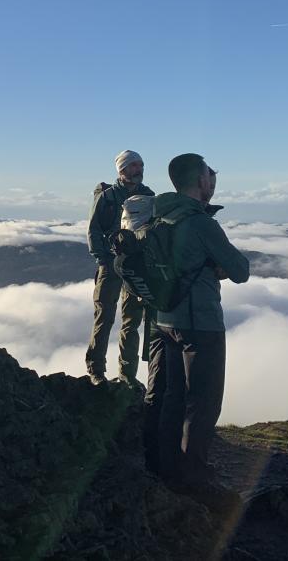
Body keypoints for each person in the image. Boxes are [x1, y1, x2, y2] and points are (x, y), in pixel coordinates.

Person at [153, 153, 250, 490]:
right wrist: (214, 266)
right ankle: (193, 479)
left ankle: (168, 471)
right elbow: (240, 270)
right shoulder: (200, 223)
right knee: (204, 403)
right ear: (200, 181)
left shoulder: (157, 215)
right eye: (211, 174)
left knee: (173, 399)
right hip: (200, 323)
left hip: (164, 318)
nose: (213, 180)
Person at [85, 150, 155, 386]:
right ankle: (96, 371)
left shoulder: (148, 196)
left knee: (131, 321)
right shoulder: (107, 197)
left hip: (136, 266)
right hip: (111, 265)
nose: (139, 169)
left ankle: (127, 375)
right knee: (104, 317)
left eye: (141, 165)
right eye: (134, 165)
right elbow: (93, 229)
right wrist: (103, 260)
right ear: (122, 170)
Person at [121, 194, 166, 475]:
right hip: (166, 321)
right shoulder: (151, 245)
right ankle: (158, 451)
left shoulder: (125, 258)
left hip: (157, 320)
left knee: (158, 380)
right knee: (163, 384)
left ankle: (152, 446)